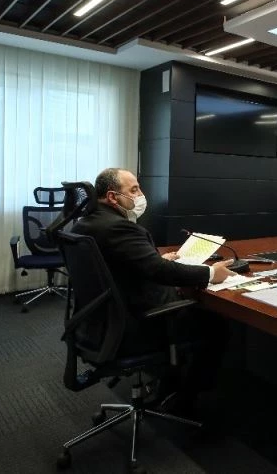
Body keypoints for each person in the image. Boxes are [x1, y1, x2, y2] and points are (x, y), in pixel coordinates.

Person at [72, 168, 234, 413]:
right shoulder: (118, 227)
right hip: (132, 325)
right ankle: (185, 397)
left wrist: (155, 259)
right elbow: (159, 272)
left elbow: (117, 263)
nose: (140, 195)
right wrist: (210, 273)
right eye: (134, 190)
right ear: (113, 197)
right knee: (215, 325)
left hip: (96, 323)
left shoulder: (85, 224)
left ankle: (167, 381)